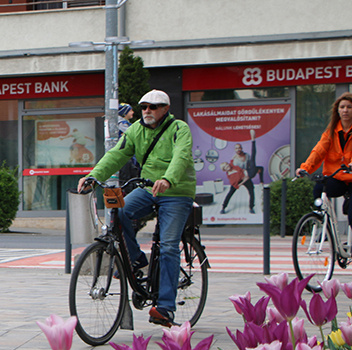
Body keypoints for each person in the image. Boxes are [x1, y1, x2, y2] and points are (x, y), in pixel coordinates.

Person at [78, 90, 195, 328]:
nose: (147, 111)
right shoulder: (135, 131)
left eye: (153, 107)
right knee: (120, 213)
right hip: (149, 188)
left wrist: (169, 179)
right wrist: (93, 176)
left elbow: (181, 157)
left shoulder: (179, 129)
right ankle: (136, 259)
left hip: (176, 191)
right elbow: (116, 155)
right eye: (144, 107)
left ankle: (165, 307)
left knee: (168, 246)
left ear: (165, 109)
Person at [297, 92, 352, 224]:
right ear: (337, 110)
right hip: (337, 177)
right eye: (342, 107)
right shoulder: (331, 132)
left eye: (349, 107)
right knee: (319, 188)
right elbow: (318, 151)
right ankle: (322, 220)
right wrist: (305, 168)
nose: (345, 110)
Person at [220, 130, 262, 214]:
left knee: (251, 191)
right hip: (238, 179)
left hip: (245, 175)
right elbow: (229, 169)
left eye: (239, 147)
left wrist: (250, 172)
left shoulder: (247, 156)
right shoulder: (234, 160)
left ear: (241, 148)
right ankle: (223, 207)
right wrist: (241, 181)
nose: (238, 149)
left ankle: (251, 207)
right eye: (236, 148)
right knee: (230, 193)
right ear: (235, 150)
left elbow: (250, 165)